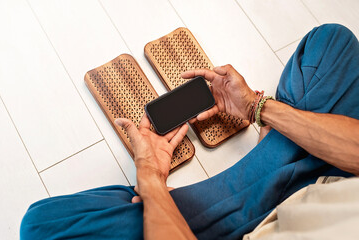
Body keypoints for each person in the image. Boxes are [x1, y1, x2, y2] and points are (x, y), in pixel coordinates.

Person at [20, 24, 359, 240]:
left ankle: (267, 175)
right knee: (333, 42)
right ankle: (283, 158)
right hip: (335, 183)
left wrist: (152, 179)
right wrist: (256, 108)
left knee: (41, 227)